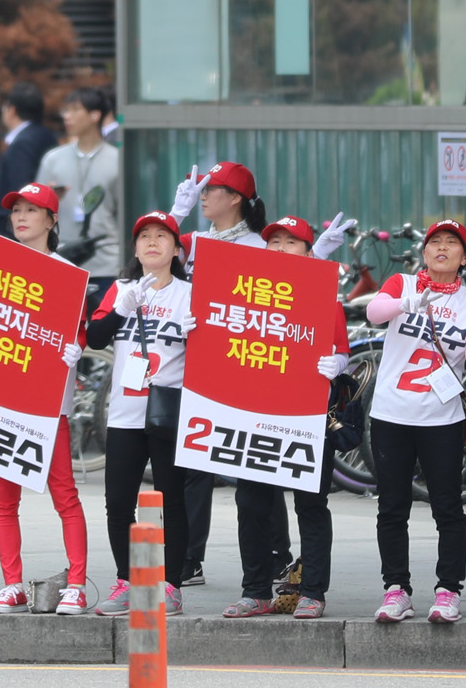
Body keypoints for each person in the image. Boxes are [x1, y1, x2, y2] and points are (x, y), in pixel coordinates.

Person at [0, 182, 90, 613]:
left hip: (47, 405)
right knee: (4, 498)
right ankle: (12, 584)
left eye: (32, 210)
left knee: (65, 494)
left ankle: (76, 583)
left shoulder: (65, 273)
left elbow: (78, 331)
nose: (21, 217)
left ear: (52, 219)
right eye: (16, 210)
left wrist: (75, 347)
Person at [362, 219, 466, 623]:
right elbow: (373, 312)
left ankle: (448, 590)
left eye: (451, 243)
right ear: (423, 252)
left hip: (441, 418)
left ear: (464, 258)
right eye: (434, 242)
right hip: (391, 412)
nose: (442, 248)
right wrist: (407, 304)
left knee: (448, 507)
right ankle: (396, 589)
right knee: (392, 506)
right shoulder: (402, 284)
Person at [222, 215, 353, 619]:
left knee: (311, 506)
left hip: (308, 415)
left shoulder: (322, 295)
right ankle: (256, 590)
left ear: (308, 252)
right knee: (252, 502)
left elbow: (342, 350)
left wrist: (338, 364)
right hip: (256, 413)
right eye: (274, 241)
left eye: (290, 242)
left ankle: (313, 590)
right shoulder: (247, 295)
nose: (279, 249)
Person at [86, 211, 198, 617]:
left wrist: (196, 332)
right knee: (118, 501)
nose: (152, 242)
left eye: (162, 236)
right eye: (144, 236)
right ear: (135, 248)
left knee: (171, 500)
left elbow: (212, 357)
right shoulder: (120, 288)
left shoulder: (190, 293)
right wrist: (120, 308)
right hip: (125, 415)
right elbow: (93, 335)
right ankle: (126, 581)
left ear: (175, 248)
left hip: (168, 412)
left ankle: (170, 585)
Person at [166, 160, 272, 583]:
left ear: (237, 200)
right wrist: (175, 213)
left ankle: (277, 553)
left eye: (212, 189)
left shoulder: (262, 247)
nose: (203, 195)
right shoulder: (190, 242)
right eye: (200, 190)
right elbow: (149, 255)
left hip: (245, 368)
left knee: (256, 466)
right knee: (192, 464)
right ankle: (190, 559)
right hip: (191, 366)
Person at [38, 86, 121, 290]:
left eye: (75, 109)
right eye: (66, 110)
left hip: (107, 262)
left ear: (95, 115)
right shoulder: (53, 159)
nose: (67, 116)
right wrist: (49, 199)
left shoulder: (118, 160)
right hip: (62, 259)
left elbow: (124, 214)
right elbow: (36, 212)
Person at [0, 83, 55, 238]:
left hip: (18, 234)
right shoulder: (47, 136)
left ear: (12, 110)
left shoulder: (21, 145)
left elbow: (20, 192)